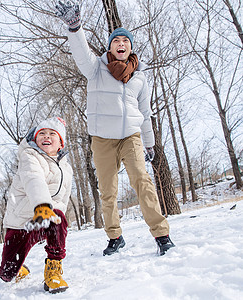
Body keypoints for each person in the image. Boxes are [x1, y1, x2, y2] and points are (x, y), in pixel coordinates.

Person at [55, 1, 175, 256]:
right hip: (102, 139)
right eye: (116, 40)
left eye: (125, 41)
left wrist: (150, 143)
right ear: (110, 46)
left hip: (131, 136)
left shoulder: (140, 77)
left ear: (130, 47)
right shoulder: (96, 69)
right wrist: (75, 28)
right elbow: (80, 53)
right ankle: (115, 237)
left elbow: (145, 113)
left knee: (142, 181)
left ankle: (162, 235)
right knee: (107, 190)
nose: (121, 44)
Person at [0, 117, 73, 294]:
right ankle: (17, 268)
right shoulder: (30, 156)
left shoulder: (66, 168)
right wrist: (42, 205)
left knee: (58, 216)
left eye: (52, 133)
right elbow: (34, 179)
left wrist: (58, 224)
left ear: (61, 143)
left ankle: (53, 269)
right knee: (7, 274)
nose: (46, 136)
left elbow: (64, 199)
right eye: (42, 133)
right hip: (22, 223)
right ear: (35, 139)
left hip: (46, 219)